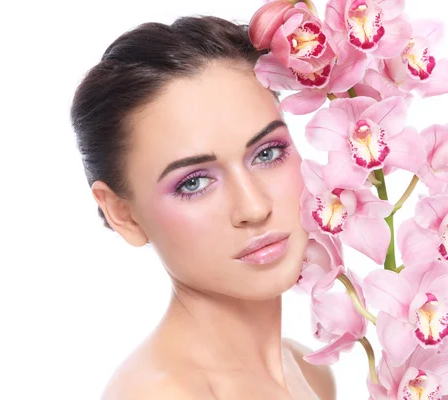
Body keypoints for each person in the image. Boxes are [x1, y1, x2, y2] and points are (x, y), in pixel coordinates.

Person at [70, 15, 336, 400]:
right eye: (192, 182)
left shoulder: (309, 372)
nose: (254, 207)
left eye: (268, 153)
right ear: (122, 213)